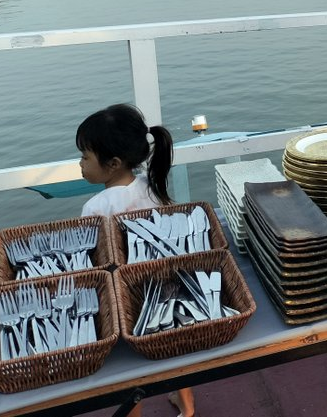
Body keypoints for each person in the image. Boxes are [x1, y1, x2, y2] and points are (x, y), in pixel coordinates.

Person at [76, 103, 195, 417]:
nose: (81, 164)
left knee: (130, 373)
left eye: (85, 157)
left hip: (126, 296)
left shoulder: (96, 207)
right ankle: (185, 405)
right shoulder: (152, 186)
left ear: (113, 163)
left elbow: (92, 258)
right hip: (166, 285)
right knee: (171, 349)